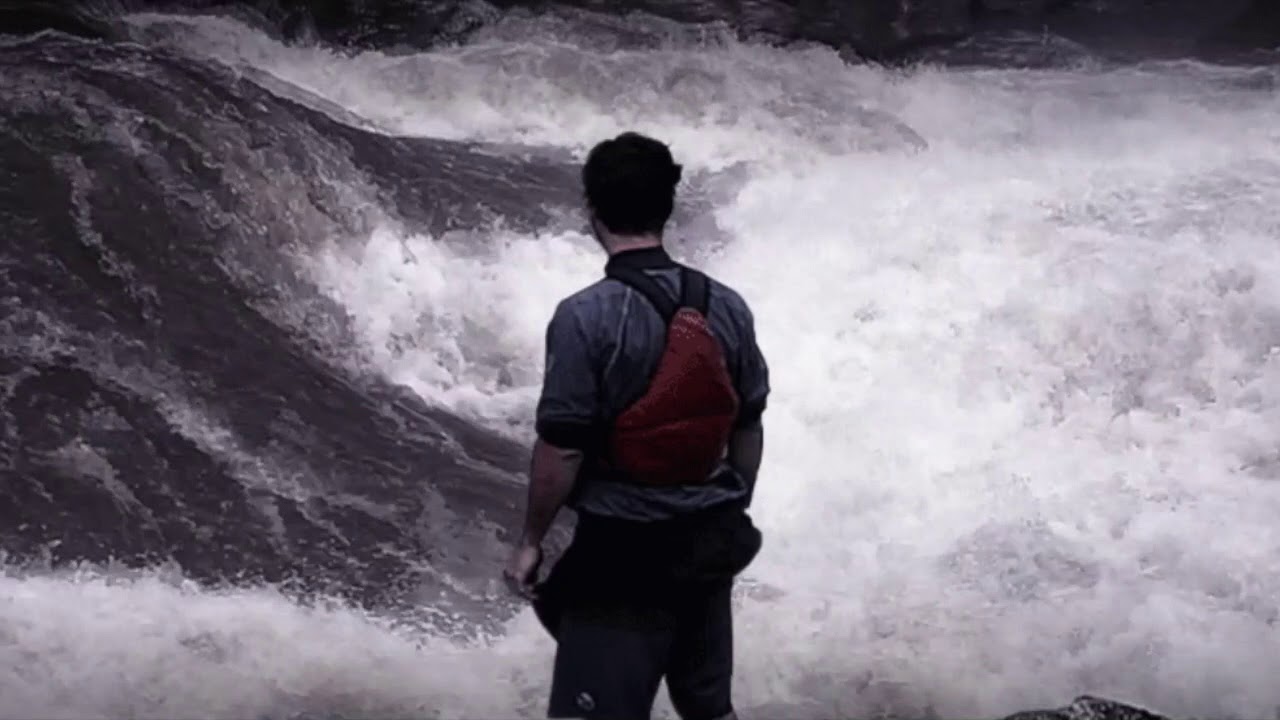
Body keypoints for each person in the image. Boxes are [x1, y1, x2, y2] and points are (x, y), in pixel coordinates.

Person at [503, 131, 771, 720]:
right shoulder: (726, 304)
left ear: (591, 211)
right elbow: (747, 426)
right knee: (708, 709)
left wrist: (529, 543)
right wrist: (732, 503)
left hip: (622, 558)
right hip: (707, 543)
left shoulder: (584, 317)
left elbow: (563, 450)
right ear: (666, 209)